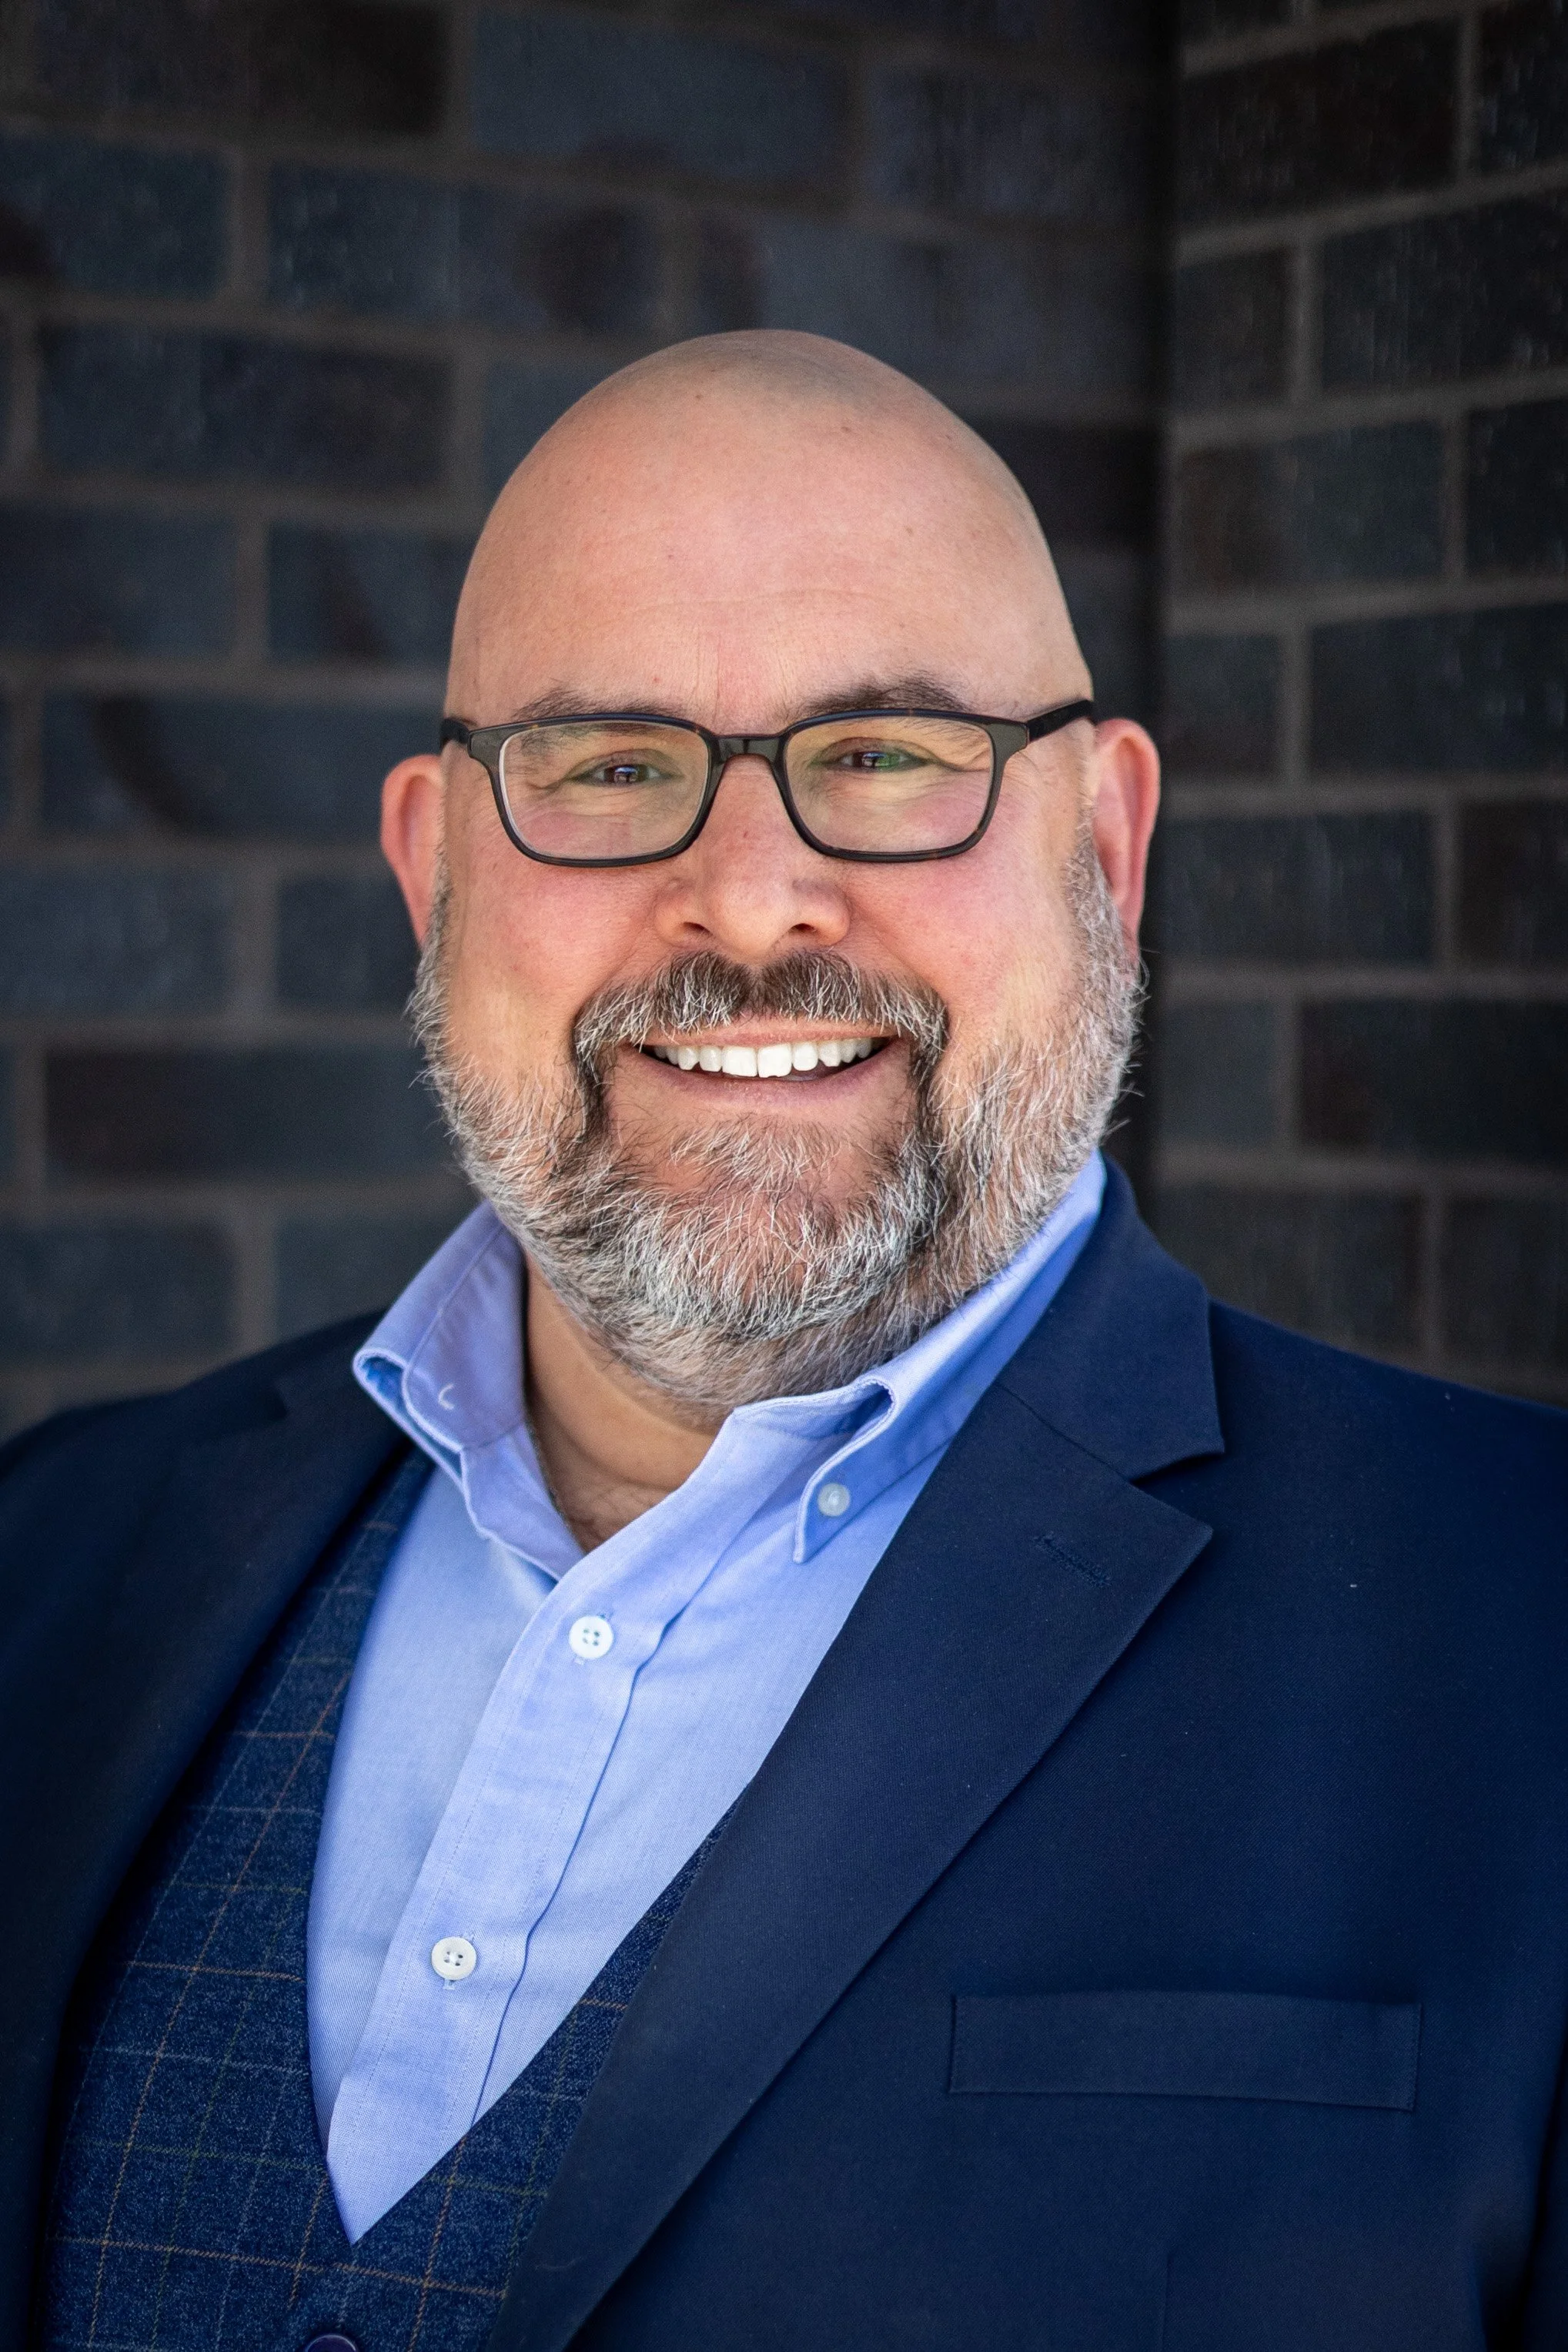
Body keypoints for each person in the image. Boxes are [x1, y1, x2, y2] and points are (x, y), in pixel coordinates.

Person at [2, 330, 1566, 2352]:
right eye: (609, 767)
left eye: (893, 757)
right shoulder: (49, 1561)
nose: (748, 902)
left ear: (1104, 842)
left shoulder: (1528, 1632)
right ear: (434, 865)